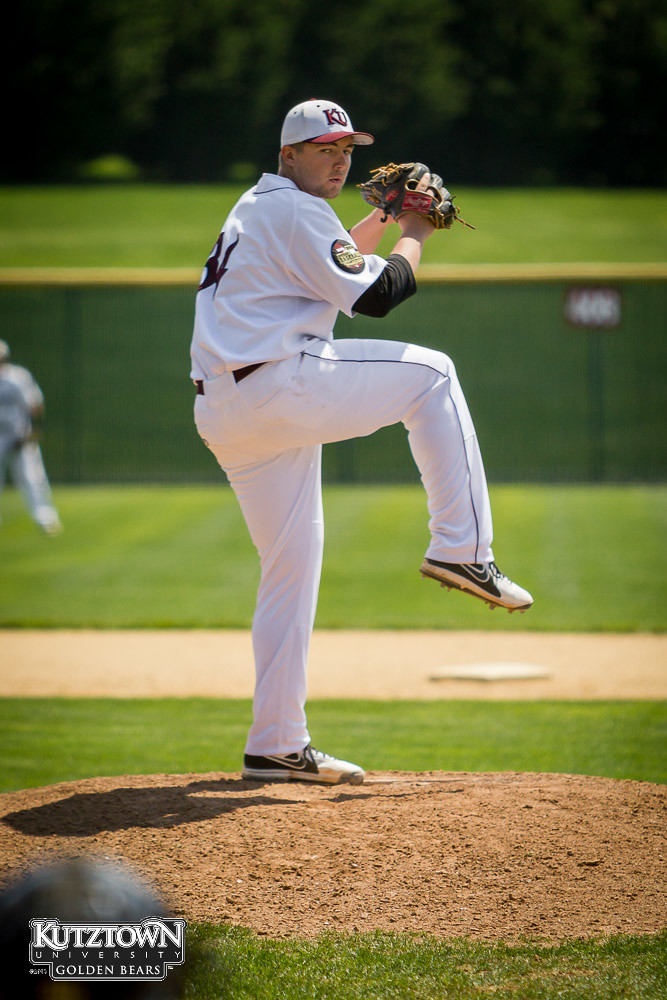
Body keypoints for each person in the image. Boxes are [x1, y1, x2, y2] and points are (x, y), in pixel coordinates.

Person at [190, 99, 533, 786]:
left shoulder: (263, 207)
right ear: (288, 155)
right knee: (432, 375)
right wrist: (414, 229)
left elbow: (334, 263)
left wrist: (381, 218)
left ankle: (276, 742)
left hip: (228, 408)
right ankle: (462, 550)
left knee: (290, 568)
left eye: (347, 148)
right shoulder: (295, 210)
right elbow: (377, 295)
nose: (341, 160)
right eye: (325, 149)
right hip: (278, 385)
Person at [0, 340, 62, 535]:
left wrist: (34, 429)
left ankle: (45, 517)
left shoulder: (18, 377)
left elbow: (35, 404)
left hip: (19, 434)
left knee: (32, 477)